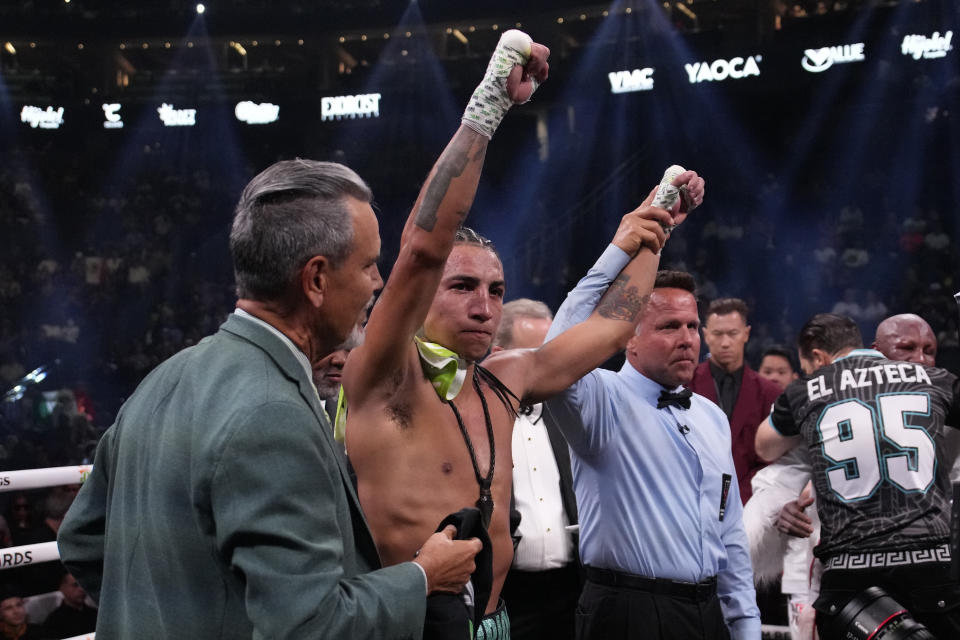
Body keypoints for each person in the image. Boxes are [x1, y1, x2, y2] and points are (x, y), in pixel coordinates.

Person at [343, 29, 705, 639]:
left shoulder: (505, 381)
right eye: (463, 287)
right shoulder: (384, 377)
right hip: (404, 622)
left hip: (498, 623)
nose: (484, 306)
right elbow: (424, 247)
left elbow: (613, 328)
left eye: (496, 290)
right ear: (423, 298)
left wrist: (654, 227)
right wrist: (490, 104)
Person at [57, 159, 482, 639]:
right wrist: (422, 577)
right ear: (316, 279)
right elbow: (310, 626)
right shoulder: (272, 413)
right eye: (367, 264)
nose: (377, 281)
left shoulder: (165, 378)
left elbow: (82, 541)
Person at [544, 270, 760, 640]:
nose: (687, 340)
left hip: (709, 614)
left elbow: (730, 532)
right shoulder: (600, 397)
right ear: (628, 336)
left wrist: (745, 622)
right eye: (669, 326)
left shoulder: (711, 417)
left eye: (693, 326)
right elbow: (554, 353)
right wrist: (623, 251)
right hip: (628, 613)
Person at [755, 313, 960, 639]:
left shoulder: (808, 390)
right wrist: (783, 505)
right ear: (878, 349)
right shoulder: (937, 382)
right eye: (908, 348)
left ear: (817, 359)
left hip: (850, 574)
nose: (920, 359)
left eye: (928, 350)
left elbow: (764, 447)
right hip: (927, 566)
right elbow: (781, 473)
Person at [491, 299, 580, 640]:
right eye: (537, 354)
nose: (551, 365)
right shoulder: (476, 421)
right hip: (506, 594)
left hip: (570, 591)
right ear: (500, 355)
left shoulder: (572, 416)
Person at [689, 298, 782, 503]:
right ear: (705, 335)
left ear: (746, 334)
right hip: (692, 500)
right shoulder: (684, 386)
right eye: (717, 334)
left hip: (751, 502)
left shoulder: (769, 393)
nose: (725, 342)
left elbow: (772, 459)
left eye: (732, 334)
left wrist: (738, 498)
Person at [41, 570, 97, 639]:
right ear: (62, 587)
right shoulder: (54, 622)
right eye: (75, 585)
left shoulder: (96, 614)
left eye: (83, 584)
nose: (81, 589)